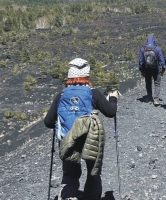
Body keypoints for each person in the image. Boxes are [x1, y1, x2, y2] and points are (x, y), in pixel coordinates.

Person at [44, 58, 119, 200]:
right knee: (93, 172)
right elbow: (110, 112)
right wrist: (113, 99)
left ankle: (69, 196)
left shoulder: (60, 96)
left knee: (70, 173)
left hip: (67, 140)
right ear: (87, 75)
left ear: (69, 75)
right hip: (90, 139)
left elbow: (48, 122)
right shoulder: (93, 93)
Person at [139, 35, 166, 105]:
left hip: (147, 69)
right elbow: (161, 59)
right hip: (156, 69)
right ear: (154, 40)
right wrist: (164, 68)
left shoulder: (143, 49)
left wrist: (141, 70)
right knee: (157, 83)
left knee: (148, 83)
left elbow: (141, 60)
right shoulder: (157, 48)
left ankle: (149, 97)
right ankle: (156, 99)